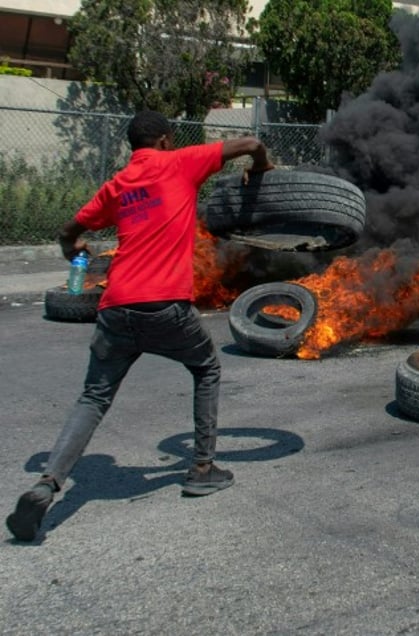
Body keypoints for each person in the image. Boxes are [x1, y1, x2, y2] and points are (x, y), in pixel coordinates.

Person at [6, 110, 274, 542]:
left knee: (93, 397)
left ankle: (47, 484)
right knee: (206, 368)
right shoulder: (179, 162)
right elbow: (248, 143)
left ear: (134, 145)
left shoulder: (118, 185)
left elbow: (69, 229)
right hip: (165, 306)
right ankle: (202, 468)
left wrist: (72, 248)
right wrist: (262, 168)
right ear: (167, 140)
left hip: (115, 309)